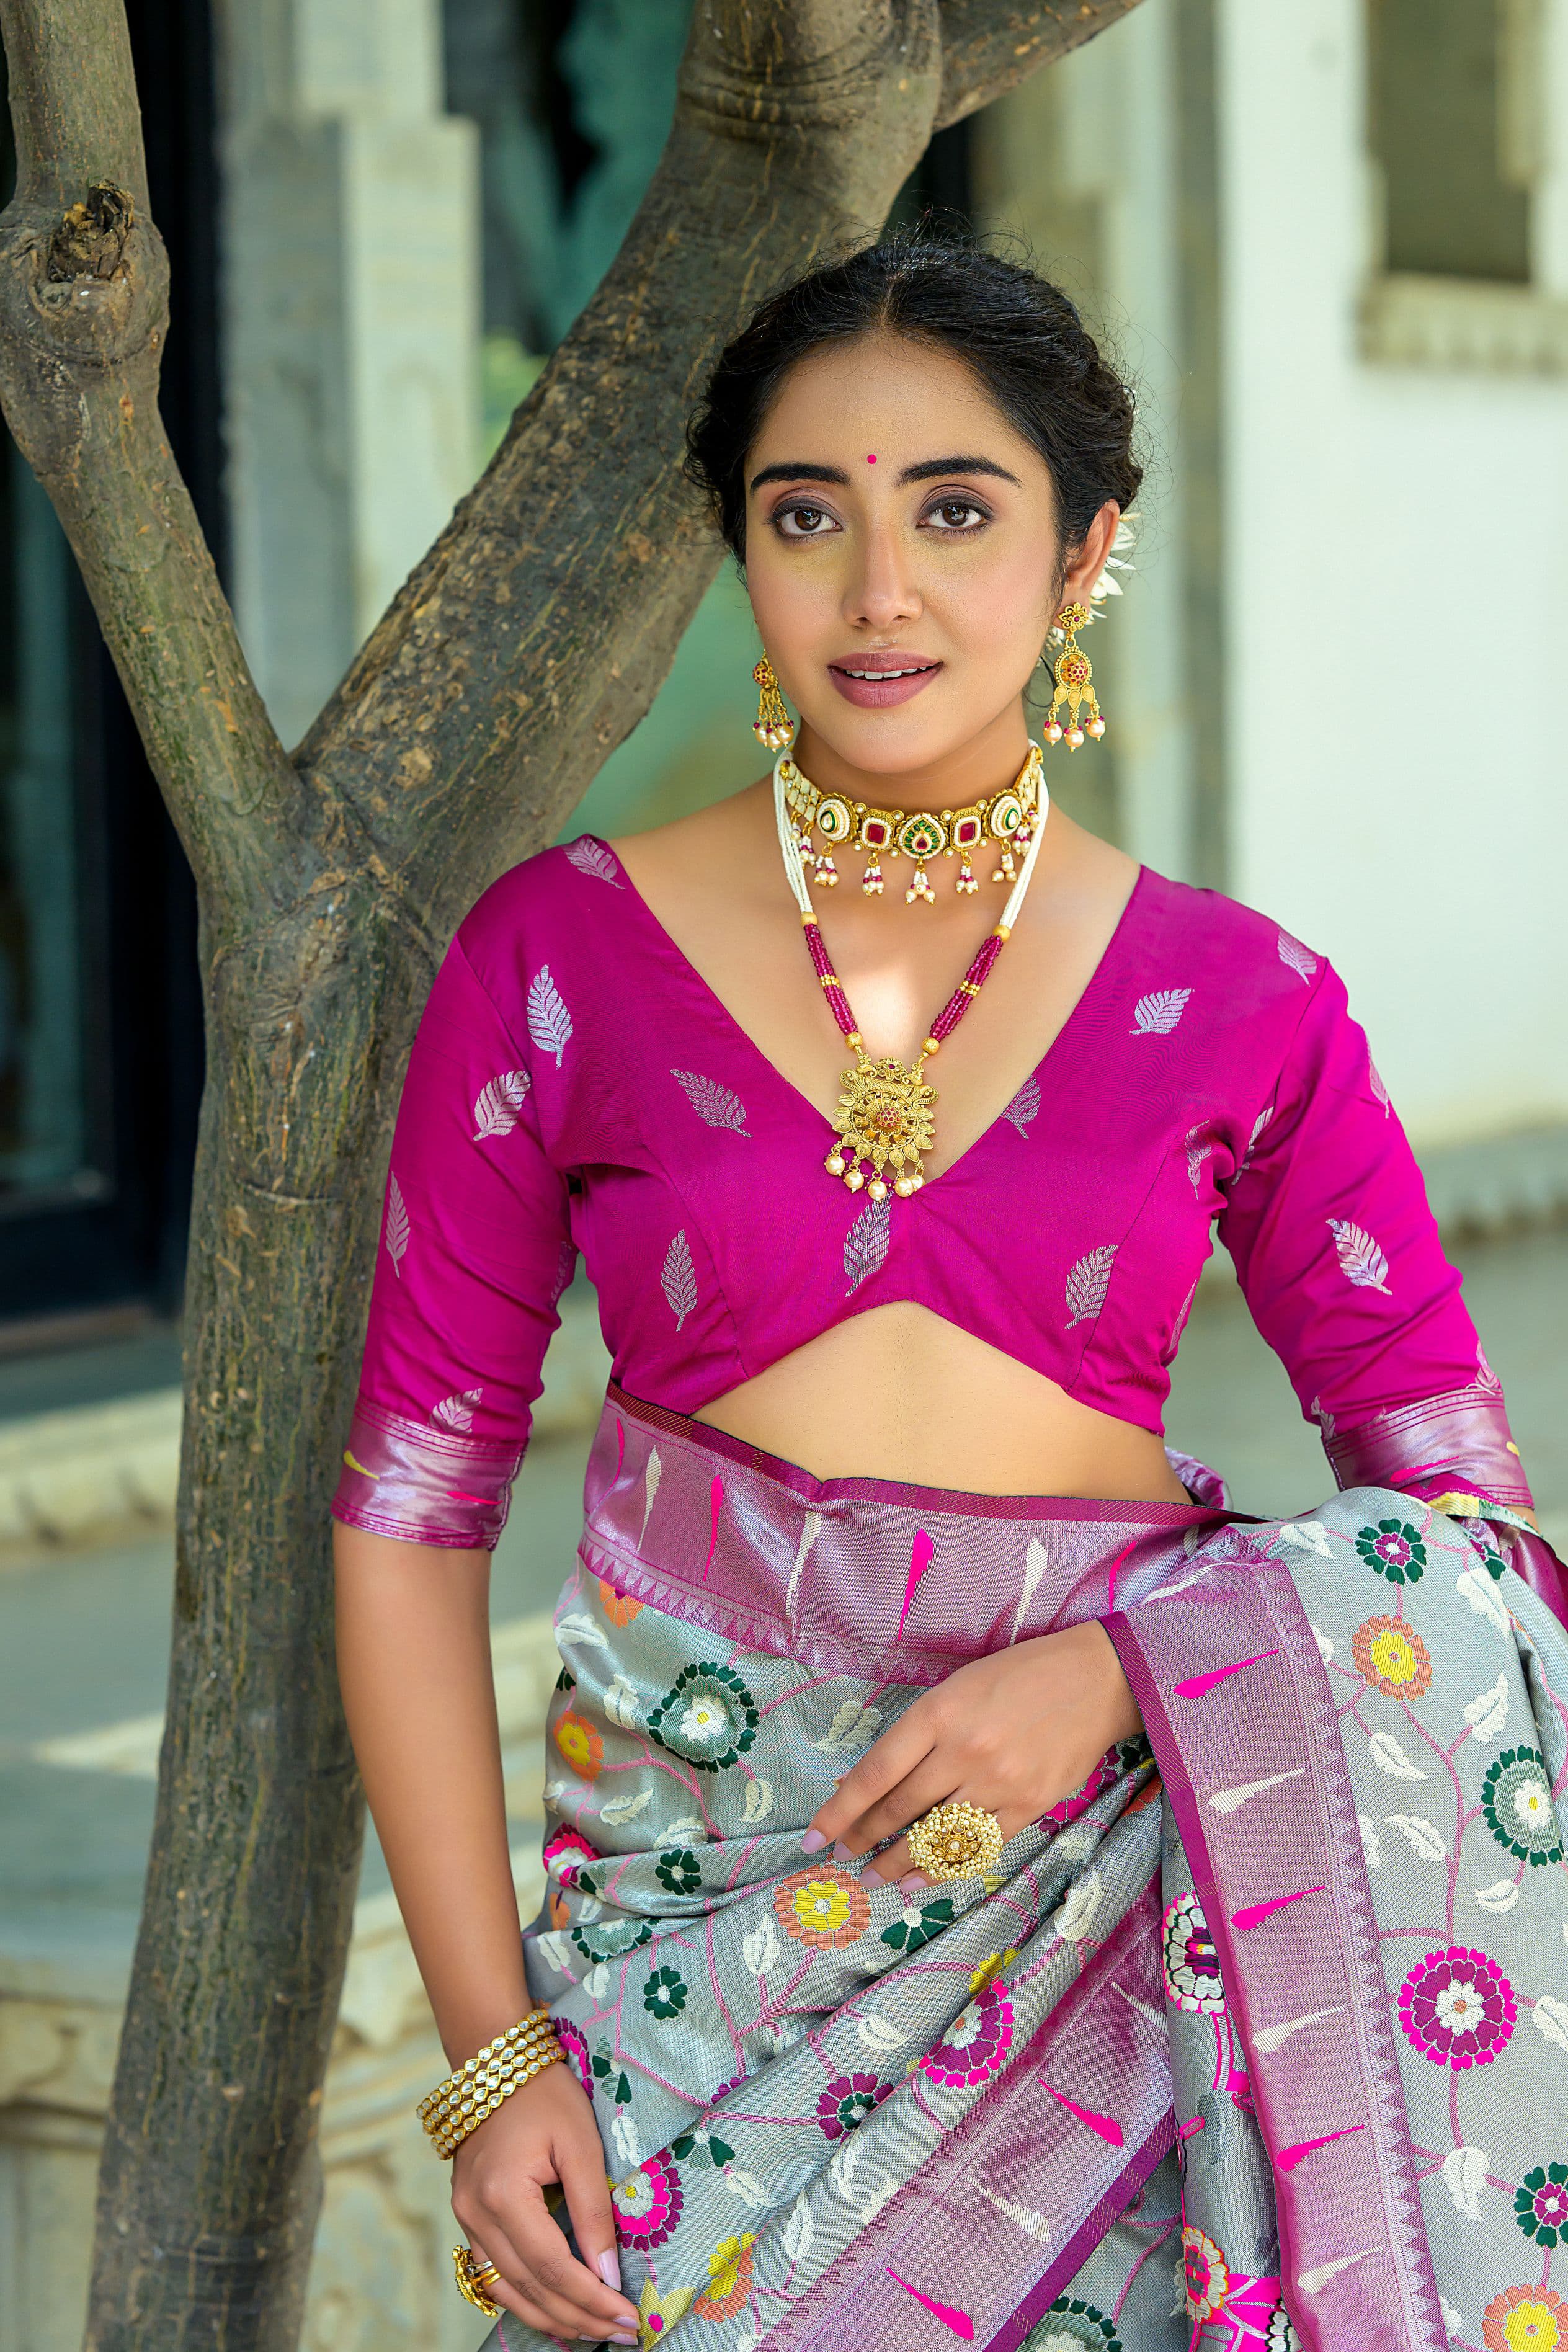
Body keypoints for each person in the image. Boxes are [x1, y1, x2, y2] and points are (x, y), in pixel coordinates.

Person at [331, 236, 1568, 2352]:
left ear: (1086, 549)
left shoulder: (1244, 1001)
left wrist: (1128, 1679)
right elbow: (407, 1517)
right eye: (807, 516)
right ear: (742, 549)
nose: (879, 592)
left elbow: (1478, 1541)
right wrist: (489, 2052)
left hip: (1115, 1925)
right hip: (692, 1953)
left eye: (957, 512)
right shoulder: (560, 959)